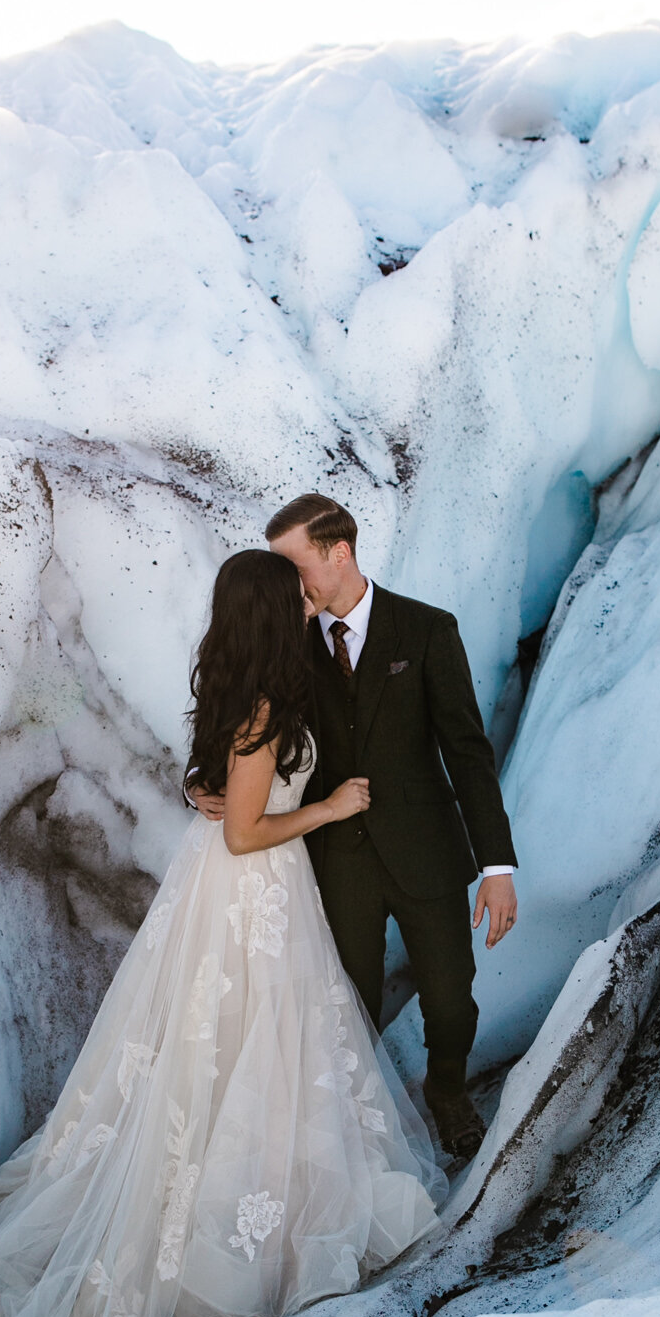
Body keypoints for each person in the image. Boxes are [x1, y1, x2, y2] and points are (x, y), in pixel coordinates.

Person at [0, 547, 445, 1317]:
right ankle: (222, 1243)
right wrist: (331, 807)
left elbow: (221, 794)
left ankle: (259, 1198)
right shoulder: (265, 705)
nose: (312, 600)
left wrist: (225, 788)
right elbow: (243, 832)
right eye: (297, 596)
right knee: (244, 1035)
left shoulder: (255, 690)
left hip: (252, 889)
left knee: (250, 1039)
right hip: (250, 883)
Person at [202, 494, 517, 1164]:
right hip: (330, 856)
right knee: (344, 1000)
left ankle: (448, 1093)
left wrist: (497, 867)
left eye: (294, 565)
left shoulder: (427, 629)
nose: (288, 583)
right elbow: (236, 725)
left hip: (425, 849)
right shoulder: (285, 640)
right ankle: (347, 1119)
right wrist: (203, 787)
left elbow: (466, 750)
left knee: (450, 996)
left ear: (337, 552)